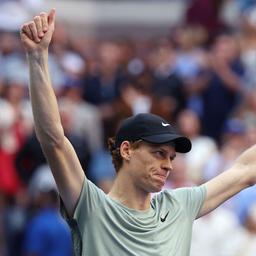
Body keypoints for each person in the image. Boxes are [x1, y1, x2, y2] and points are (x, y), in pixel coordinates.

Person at [20, 9, 256, 256]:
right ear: (127, 150)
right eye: (159, 153)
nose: (168, 165)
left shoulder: (180, 205)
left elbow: (246, 170)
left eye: (171, 157)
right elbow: (53, 139)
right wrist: (37, 57)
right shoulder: (92, 206)